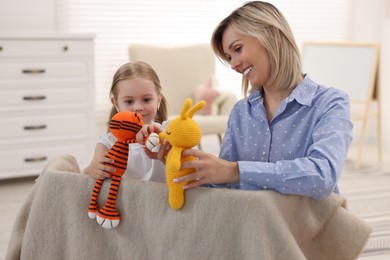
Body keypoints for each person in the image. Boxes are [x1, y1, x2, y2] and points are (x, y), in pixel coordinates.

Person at [163, 1, 353, 200]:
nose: (234, 65)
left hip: (307, 229)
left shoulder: (331, 103)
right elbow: (225, 185)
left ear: (271, 36)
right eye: (229, 57)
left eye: (237, 49)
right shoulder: (241, 111)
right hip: (255, 227)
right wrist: (181, 163)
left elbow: (322, 176)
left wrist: (236, 171)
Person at [84, 61, 168, 182]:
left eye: (146, 99)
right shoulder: (108, 142)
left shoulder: (168, 131)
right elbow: (87, 173)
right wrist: (92, 169)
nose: (138, 107)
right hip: (127, 200)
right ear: (116, 104)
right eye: (129, 101)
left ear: (158, 100)